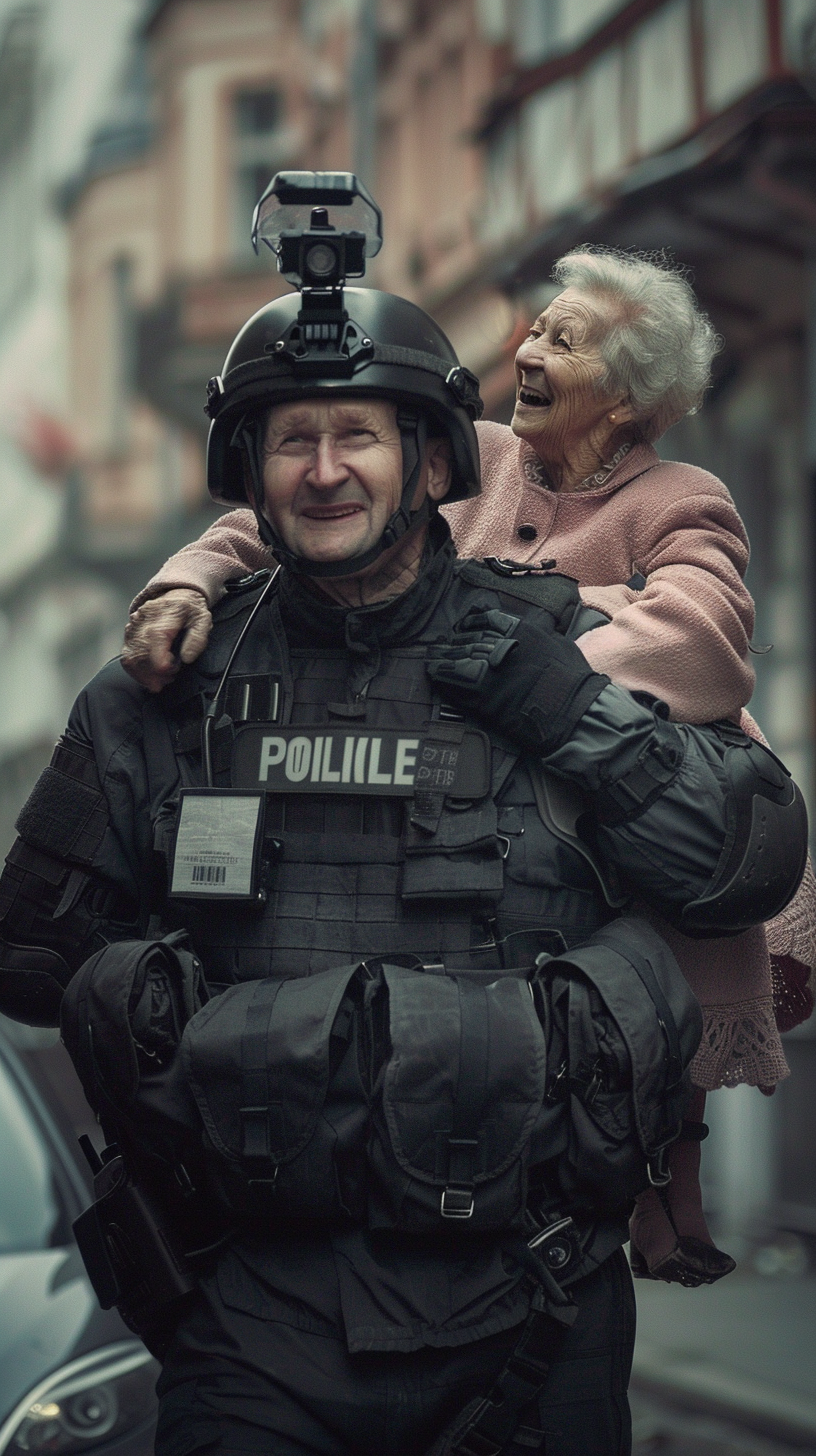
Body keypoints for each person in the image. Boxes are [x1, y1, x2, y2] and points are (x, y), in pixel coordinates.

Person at [0, 252, 806, 1456]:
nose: (325, 470)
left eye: (358, 436)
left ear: (433, 459)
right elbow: (28, 961)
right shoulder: (168, 691)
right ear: (248, 472)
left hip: (535, 1311)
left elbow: (742, 866)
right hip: (249, 1318)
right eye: (290, 440)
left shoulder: (564, 656)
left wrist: (564, 710)